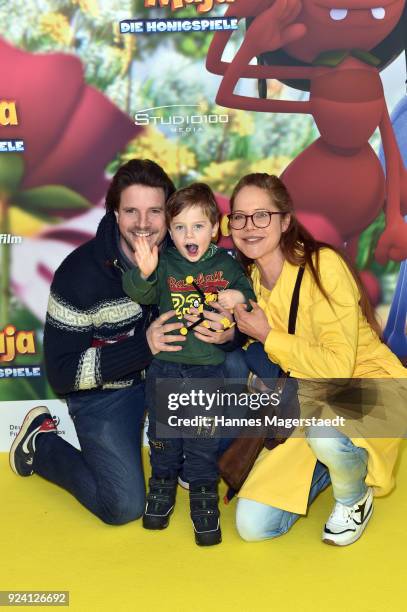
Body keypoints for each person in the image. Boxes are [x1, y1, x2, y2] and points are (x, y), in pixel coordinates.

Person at [227, 172, 407, 546]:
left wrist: (265, 334)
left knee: (326, 432)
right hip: (309, 400)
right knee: (253, 527)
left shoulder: (322, 265)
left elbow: (337, 367)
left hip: (372, 386)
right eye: (239, 217)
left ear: (285, 220)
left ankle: (353, 497)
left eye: (262, 215)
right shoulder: (248, 281)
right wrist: (229, 334)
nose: (249, 226)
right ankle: (337, 463)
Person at [9, 159, 184, 525]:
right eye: (131, 211)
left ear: (168, 216)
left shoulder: (184, 258)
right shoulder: (79, 273)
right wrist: (143, 348)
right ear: (115, 214)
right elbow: (61, 373)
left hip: (167, 383)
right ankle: (41, 444)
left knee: (230, 378)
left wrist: (228, 333)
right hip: (108, 394)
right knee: (123, 507)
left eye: (154, 211)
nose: (143, 223)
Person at [122, 182, 255, 545]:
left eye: (197, 226)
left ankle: (202, 493)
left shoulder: (225, 265)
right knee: (164, 436)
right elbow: (141, 292)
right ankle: (162, 485)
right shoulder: (165, 263)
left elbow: (249, 297)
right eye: (179, 227)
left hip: (206, 369)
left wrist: (237, 296)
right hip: (165, 367)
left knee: (200, 439)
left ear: (215, 228)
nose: (188, 235)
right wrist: (145, 271)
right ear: (171, 231)